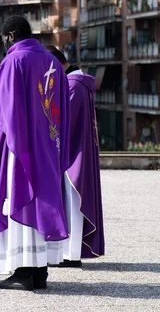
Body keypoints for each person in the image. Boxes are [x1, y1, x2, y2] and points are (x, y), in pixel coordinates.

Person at [0, 16, 71, 290]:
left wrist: (0, 122)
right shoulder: (53, 63)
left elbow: (1, 103)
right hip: (50, 147)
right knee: (41, 203)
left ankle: (24, 271)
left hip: (21, 148)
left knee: (20, 200)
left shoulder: (14, 61)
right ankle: (41, 272)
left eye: (4, 39)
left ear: (11, 36)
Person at [46, 46, 105, 267]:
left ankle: (70, 255)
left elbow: (61, 123)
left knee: (72, 203)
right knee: (71, 203)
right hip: (77, 151)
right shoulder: (77, 82)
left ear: (58, 64)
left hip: (73, 156)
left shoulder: (73, 86)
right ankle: (68, 253)